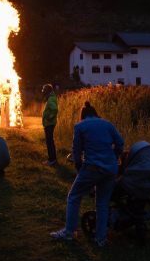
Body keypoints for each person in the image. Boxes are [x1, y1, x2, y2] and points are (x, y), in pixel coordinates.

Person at [50, 101, 124, 247]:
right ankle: (100, 238)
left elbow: (76, 151)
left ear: (82, 116)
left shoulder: (80, 126)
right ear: (95, 113)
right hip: (110, 169)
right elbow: (120, 143)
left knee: (74, 196)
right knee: (102, 203)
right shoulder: (107, 124)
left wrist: (78, 168)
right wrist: (113, 158)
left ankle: (69, 231)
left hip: (92, 168)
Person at [41, 84, 58, 166]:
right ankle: (53, 159)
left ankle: (51, 159)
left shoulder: (50, 99)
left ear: (49, 91)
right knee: (50, 140)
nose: (43, 91)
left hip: (49, 123)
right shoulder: (51, 98)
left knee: (49, 141)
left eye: (44, 90)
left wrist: (50, 117)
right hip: (50, 123)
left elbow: (55, 109)